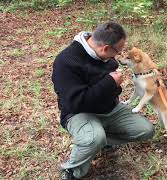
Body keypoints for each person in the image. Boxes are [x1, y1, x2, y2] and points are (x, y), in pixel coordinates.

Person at [52, 22, 155, 179]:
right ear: (105, 48)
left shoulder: (106, 58)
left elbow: (113, 90)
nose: (117, 57)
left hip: (110, 109)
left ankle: (100, 139)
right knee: (94, 138)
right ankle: (73, 170)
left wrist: (113, 86)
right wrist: (109, 83)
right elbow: (75, 103)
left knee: (146, 130)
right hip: (79, 113)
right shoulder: (66, 61)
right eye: (117, 51)